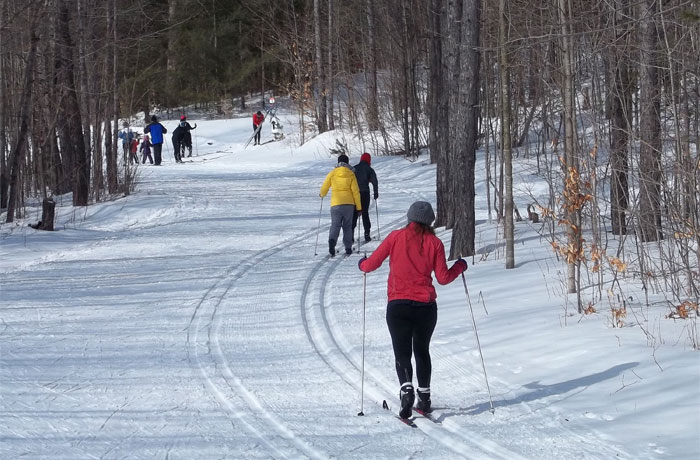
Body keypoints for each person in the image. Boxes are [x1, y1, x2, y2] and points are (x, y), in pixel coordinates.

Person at [357, 201, 468, 419]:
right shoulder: (435, 243)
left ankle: (406, 389)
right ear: (430, 222)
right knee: (422, 349)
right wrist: (460, 266)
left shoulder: (395, 237)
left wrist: (362, 264)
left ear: (409, 218)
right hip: (426, 307)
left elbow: (371, 265)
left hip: (398, 305)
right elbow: (443, 278)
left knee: (402, 351)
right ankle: (424, 398)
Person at [319, 154, 362, 256]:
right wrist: (359, 207)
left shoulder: (333, 173)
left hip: (336, 204)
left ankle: (332, 241)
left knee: (335, 225)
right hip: (349, 205)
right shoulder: (351, 174)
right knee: (347, 226)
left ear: (338, 162)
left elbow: (325, 185)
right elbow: (356, 192)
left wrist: (322, 194)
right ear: (347, 163)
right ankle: (348, 247)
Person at [352, 153, 379, 242]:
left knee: (354, 214)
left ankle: (351, 234)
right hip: (365, 193)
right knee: (365, 214)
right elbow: (374, 181)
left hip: (355, 194)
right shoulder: (369, 169)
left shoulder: (354, 168)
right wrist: (376, 193)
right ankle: (367, 233)